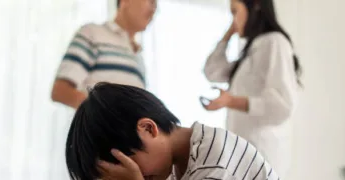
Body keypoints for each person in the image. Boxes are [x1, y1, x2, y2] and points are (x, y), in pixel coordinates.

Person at [65, 82, 280, 180]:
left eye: (130, 167)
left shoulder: (214, 163)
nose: (137, 176)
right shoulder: (179, 167)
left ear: (148, 129)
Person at [203, 0, 302, 178]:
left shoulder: (274, 42)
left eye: (234, 12)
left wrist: (232, 101)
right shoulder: (252, 49)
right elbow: (212, 71)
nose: (233, 20)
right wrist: (228, 35)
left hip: (262, 158)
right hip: (244, 159)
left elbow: (283, 106)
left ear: (255, 4)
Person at [51, 0, 157, 109]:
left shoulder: (139, 56)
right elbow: (60, 91)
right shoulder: (92, 33)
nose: (154, 9)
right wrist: (107, 116)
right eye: (151, 2)